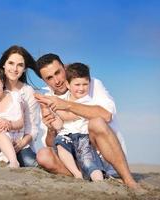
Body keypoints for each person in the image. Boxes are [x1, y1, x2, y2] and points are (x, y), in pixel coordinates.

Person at [34, 53, 138, 188]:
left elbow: (106, 115)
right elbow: (50, 144)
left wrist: (67, 106)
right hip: (74, 157)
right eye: (49, 78)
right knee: (43, 155)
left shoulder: (90, 84)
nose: (57, 80)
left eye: (58, 72)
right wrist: (51, 129)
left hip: (100, 151)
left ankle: (128, 180)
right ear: (44, 81)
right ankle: (84, 175)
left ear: (64, 67)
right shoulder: (48, 99)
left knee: (97, 123)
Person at [44, 63, 104, 181]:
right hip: (66, 135)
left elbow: (68, 116)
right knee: (60, 145)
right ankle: (76, 174)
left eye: (85, 84)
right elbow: (59, 125)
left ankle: (99, 180)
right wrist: (51, 122)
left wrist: (54, 107)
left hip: (83, 136)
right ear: (68, 84)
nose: (81, 88)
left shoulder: (88, 101)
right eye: (77, 84)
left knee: (88, 160)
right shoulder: (63, 100)